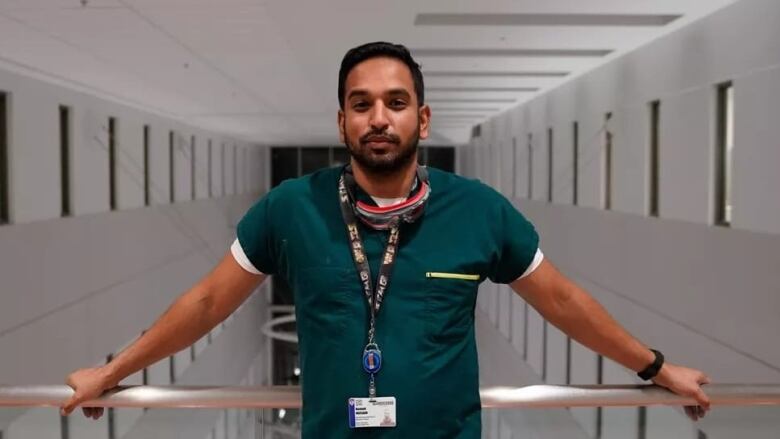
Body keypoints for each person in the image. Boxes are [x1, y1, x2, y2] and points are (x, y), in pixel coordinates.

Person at [62, 42, 711, 438]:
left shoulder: (478, 210)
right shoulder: (292, 207)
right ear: (341, 119)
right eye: (362, 102)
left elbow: (562, 301)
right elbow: (207, 302)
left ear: (422, 118)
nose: (379, 117)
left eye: (396, 102)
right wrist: (113, 370)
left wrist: (655, 368)